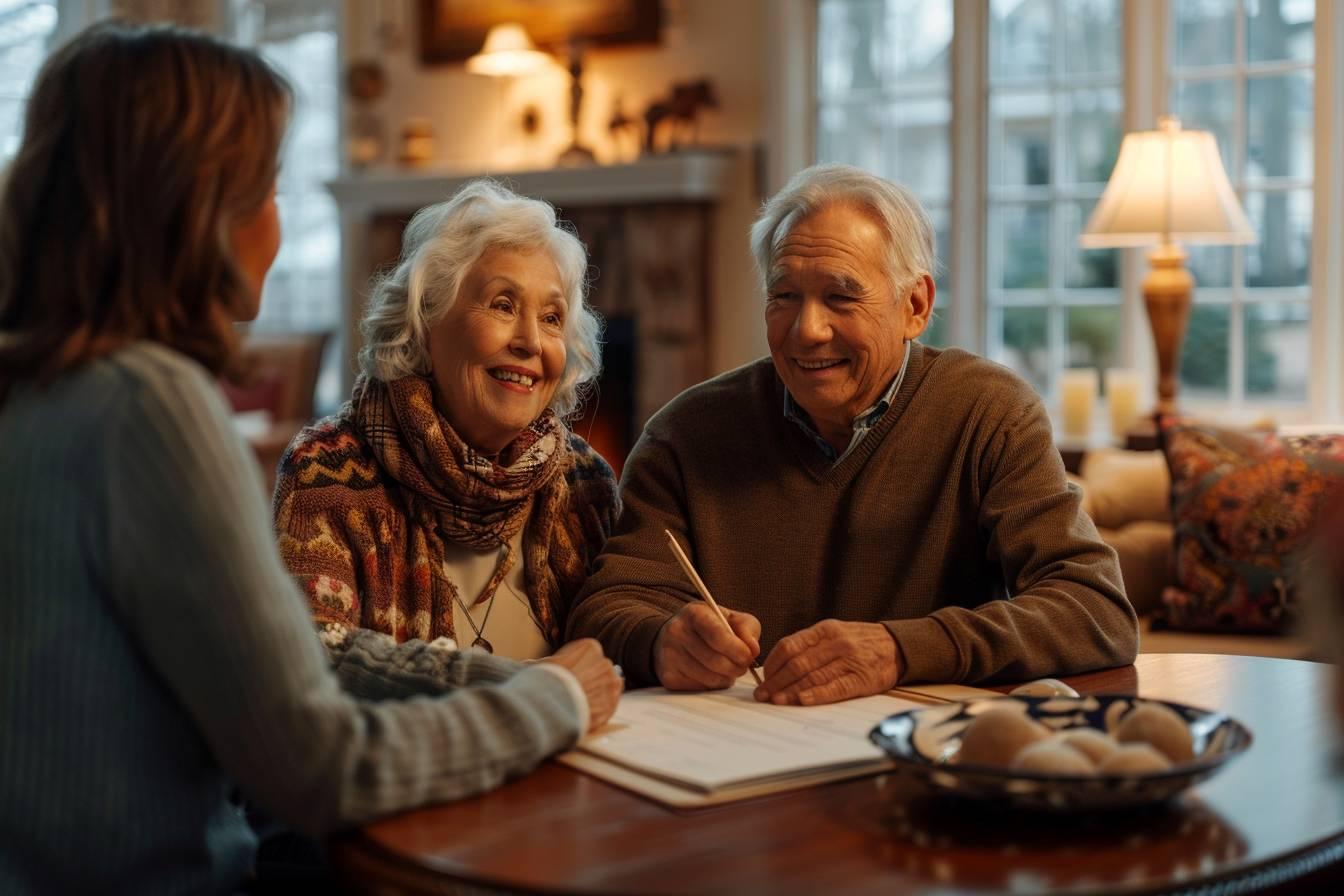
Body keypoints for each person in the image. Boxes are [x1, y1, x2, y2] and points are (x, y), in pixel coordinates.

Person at [0, 23, 620, 895]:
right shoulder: (148, 408)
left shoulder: (38, 387)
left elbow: (310, 660)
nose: (276, 222)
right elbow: (319, 763)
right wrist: (547, 702)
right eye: (266, 188)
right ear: (194, 208)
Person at [567, 163, 1137, 703]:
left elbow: (1094, 610)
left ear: (915, 305)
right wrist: (662, 639)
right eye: (784, 297)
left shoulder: (989, 413)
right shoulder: (684, 435)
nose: (808, 330)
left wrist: (900, 649)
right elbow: (608, 607)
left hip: (926, 757)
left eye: (840, 298)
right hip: (738, 757)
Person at [273, 179, 619, 664]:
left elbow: (623, 635)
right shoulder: (329, 471)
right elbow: (316, 663)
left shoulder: (585, 481)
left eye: (552, 318)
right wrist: (515, 690)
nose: (531, 342)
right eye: (503, 305)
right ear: (425, 323)